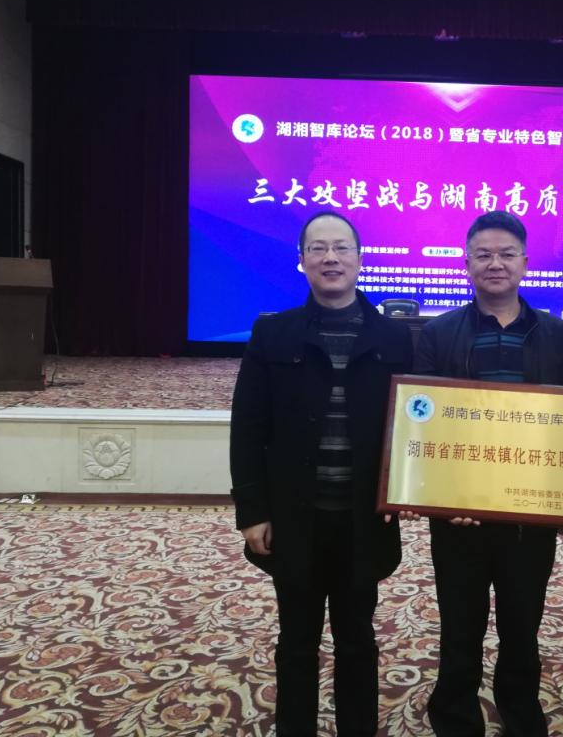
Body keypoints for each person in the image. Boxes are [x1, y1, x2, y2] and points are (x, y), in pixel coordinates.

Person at [229, 211, 413, 737]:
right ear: (302, 260)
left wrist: (411, 491)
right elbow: (248, 428)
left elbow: (414, 426)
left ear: (360, 258)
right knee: (296, 641)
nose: (330, 258)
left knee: (357, 640)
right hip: (295, 519)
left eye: (341, 248)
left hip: (363, 519)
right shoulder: (273, 332)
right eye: (318, 248)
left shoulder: (395, 337)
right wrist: (253, 511)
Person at [414, 210, 563, 737]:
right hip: (458, 515)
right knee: (459, 624)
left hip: (529, 514)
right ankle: (455, 717)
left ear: (525, 263)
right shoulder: (438, 334)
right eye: (483, 254)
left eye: (507, 254)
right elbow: (423, 422)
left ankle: (520, 713)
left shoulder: (559, 336)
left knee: (522, 625)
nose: (495, 264)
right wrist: (444, 496)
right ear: (466, 263)